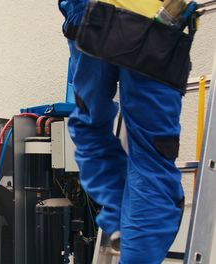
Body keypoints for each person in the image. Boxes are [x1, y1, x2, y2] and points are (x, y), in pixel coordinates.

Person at [58, 1, 185, 263]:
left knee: (89, 130)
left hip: (91, 17)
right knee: (150, 158)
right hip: (150, 21)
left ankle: (122, 222)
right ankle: (131, 234)